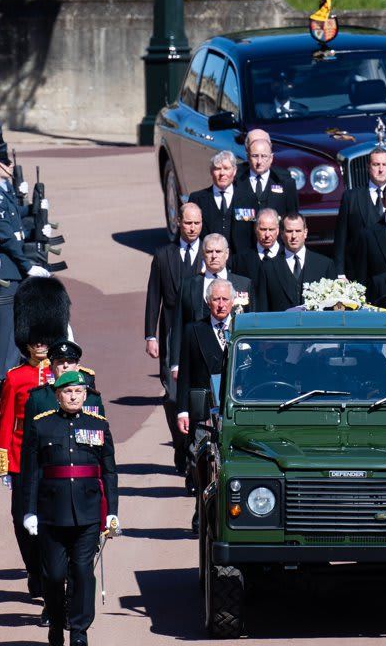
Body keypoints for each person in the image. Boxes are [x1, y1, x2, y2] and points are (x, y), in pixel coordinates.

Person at [20, 370, 119, 646]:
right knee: (53, 575)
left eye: (78, 391)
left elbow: (109, 471)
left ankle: (79, 631)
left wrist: (112, 511)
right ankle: (55, 622)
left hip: (87, 513)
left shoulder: (98, 425)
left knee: (83, 572)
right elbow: (31, 472)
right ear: (57, 395)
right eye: (67, 392)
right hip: (52, 512)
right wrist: (29, 511)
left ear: (85, 395)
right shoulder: (42, 426)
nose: (73, 396)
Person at [0, 277, 70, 624]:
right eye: (34, 338)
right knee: (21, 523)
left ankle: (52, 591)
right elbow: (6, 423)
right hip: (21, 461)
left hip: (55, 460)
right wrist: (4, 466)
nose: (40, 344)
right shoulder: (15, 378)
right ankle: (35, 572)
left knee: (53, 527)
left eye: (44, 338)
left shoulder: (68, 376)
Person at [0, 145, 53, 384]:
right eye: (6, 163)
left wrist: (35, 208)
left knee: (13, 323)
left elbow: (14, 218)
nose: (10, 167)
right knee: (5, 324)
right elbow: (6, 235)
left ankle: (6, 370)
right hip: (7, 264)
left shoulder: (2, 190)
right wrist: (26, 265)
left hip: (14, 261)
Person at [145, 202, 204, 466]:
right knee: (171, 395)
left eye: (197, 223)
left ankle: (196, 450)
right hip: (171, 336)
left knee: (198, 394)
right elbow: (153, 295)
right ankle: (181, 447)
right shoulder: (163, 255)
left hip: (201, 334)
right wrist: (150, 335)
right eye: (188, 223)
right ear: (179, 222)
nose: (192, 228)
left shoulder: (210, 252)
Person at [176, 279, 235, 531]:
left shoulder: (242, 329)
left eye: (225, 300)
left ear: (233, 302)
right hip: (203, 410)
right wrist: (182, 410)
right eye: (216, 300)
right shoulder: (194, 330)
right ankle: (201, 512)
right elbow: (186, 374)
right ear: (207, 302)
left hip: (233, 410)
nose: (220, 305)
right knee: (202, 463)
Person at [168, 233, 253, 379]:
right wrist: (175, 363)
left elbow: (252, 321)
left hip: (236, 359)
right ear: (203, 254)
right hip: (197, 359)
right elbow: (178, 325)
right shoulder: (188, 285)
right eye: (209, 251)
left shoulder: (243, 284)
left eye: (218, 251)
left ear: (226, 254)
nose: (214, 256)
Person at [257, 212, 336, 312]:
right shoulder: (267, 268)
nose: (294, 236)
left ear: (305, 232)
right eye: (289, 231)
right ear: (281, 234)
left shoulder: (325, 265)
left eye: (298, 231)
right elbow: (262, 309)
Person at [335, 147, 386, 279]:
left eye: (384, 164)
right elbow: (341, 237)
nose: (380, 169)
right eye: (376, 164)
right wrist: (339, 272)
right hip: (359, 271)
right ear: (368, 167)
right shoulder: (351, 197)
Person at [188, 150, 251, 253]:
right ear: (211, 171)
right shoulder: (197, 199)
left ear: (234, 171)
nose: (222, 173)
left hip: (240, 263)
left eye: (226, 168)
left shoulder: (248, 199)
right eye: (217, 169)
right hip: (208, 261)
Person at [237, 131, 299, 217]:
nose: (259, 161)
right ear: (248, 155)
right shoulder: (235, 179)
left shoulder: (285, 182)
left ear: (271, 158)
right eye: (255, 156)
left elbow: (292, 218)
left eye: (264, 156)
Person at [228, 207, 281, 283]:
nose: (267, 234)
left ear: (278, 230)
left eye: (271, 229)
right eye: (263, 229)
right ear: (255, 229)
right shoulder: (240, 260)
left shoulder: (287, 256)